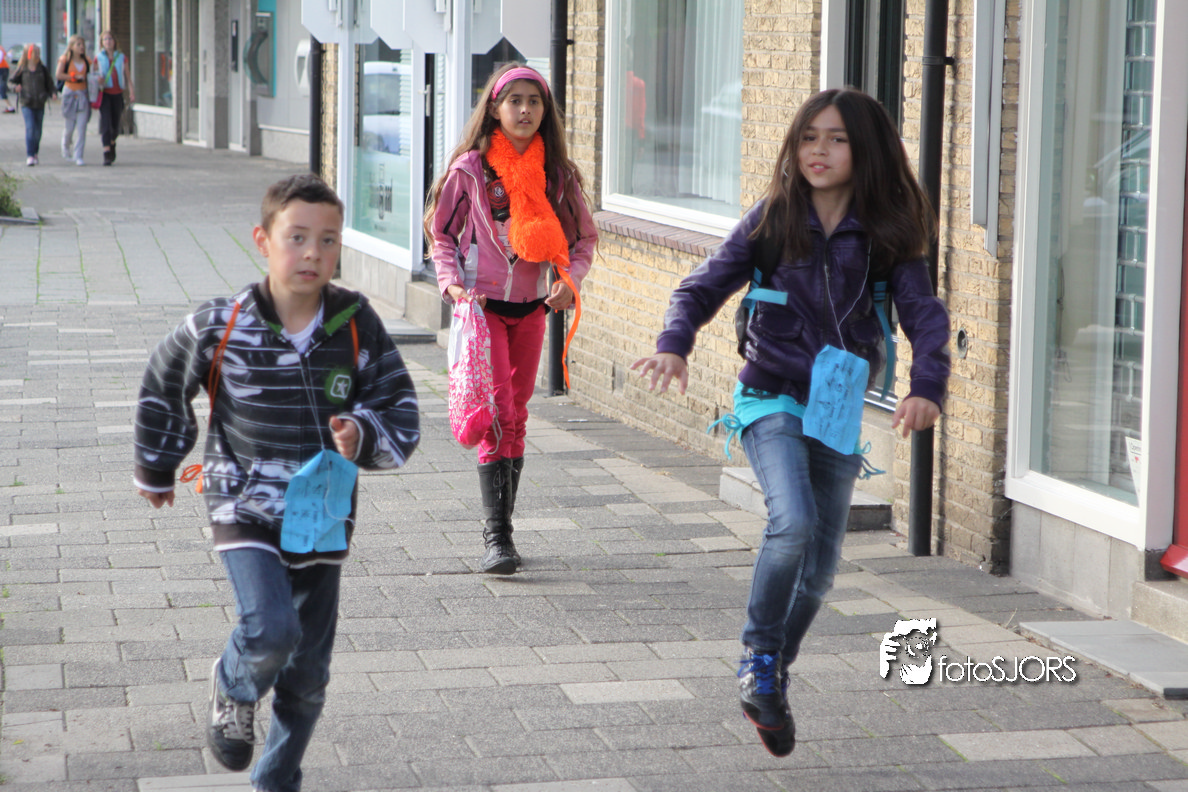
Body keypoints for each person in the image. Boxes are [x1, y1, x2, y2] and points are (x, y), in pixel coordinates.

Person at [632, 88, 950, 757]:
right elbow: (700, 286)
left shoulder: (888, 233)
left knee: (822, 571)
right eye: (808, 137)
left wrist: (927, 385)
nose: (818, 151)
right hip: (768, 394)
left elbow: (924, 315)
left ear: (865, 150)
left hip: (835, 408)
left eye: (836, 139)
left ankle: (771, 673)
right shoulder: (774, 218)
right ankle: (757, 657)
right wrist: (674, 344)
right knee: (794, 521)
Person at [133, 174, 421, 792]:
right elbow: (163, 380)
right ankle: (233, 685)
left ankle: (276, 780)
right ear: (263, 241)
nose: (313, 252)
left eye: (328, 240)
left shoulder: (356, 323)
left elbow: (398, 405)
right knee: (270, 628)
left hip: (322, 514)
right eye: (297, 237)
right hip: (243, 501)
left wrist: (363, 433)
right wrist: (158, 466)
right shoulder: (224, 322)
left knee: (307, 676)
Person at [425, 62, 597, 575]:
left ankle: (504, 530)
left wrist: (570, 280)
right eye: (514, 101)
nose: (525, 110)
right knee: (498, 412)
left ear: (545, 111)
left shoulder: (557, 176)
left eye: (534, 101)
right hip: (483, 312)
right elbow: (442, 235)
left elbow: (584, 239)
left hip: (532, 310)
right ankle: (496, 538)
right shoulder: (470, 171)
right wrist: (452, 286)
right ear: (495, 109)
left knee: (517, 414)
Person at [7, 44, 56, 166]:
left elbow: (50, 84)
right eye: (35, 53)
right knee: (30, 128)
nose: (37, 55)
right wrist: (15, 88)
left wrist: (52, 93)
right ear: (28, 55)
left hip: (40, 102)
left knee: (38, 131)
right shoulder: (22, 69)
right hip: (27, 103)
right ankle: (30, 154)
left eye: (38, 53)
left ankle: (35, 153)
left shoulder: (42, 69)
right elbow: (10, 82)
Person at [94, 30, 133, 166]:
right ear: (102, 43)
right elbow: (93, 75)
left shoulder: (121, 57)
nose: (108, 42)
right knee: (106, 124)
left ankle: (112, 142)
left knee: (115, 125)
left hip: (117, 94)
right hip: (104, 93)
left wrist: (131, 91)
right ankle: (106, 152)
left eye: (110, 39)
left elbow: (127, 75)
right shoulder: (98, 58)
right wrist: (97, 79)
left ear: (114, 41)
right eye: (105, 39)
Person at [56, 35, 90, 166]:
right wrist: (73, 76)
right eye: (78, 44)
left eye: (83, 45)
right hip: (70, 93)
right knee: (69, 127)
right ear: (71, 46)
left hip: (83, 94)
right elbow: (58, 75)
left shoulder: (87, 61)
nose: (81, 47)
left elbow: (92, 73)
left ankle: (78, 155)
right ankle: (65, 147)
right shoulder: (65, 60)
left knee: (82, 128)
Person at [0, 44, 14, 113]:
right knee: (2, 87)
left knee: (2, 88)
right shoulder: (1, 48)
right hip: (4, 68)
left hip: (2, 69)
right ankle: (9, 106)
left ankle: (10, 106)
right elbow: (9, 56)